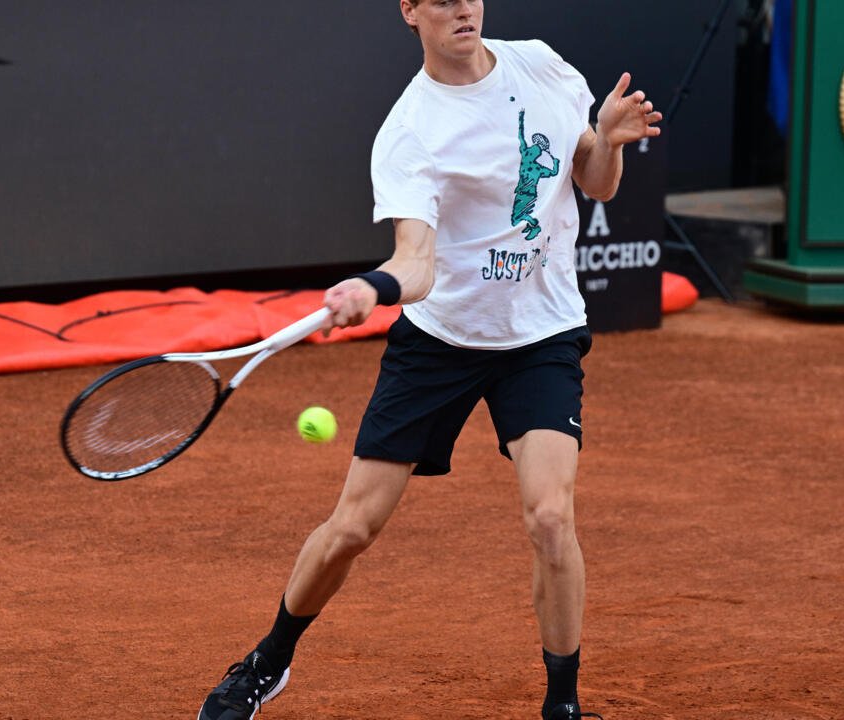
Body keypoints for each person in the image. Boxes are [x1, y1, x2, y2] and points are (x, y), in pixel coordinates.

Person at [198, 1, 661, 718]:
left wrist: (607, 141)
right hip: (440, 339)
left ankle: (562, 705)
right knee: (354, 526)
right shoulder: (411, 131)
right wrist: (374, 286)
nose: (462, 9)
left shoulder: (541, 64)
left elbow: (596, 182)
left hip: (540, 333)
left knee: (549, 516)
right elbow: (416, 263)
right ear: (410, 11)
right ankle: (268, 660)